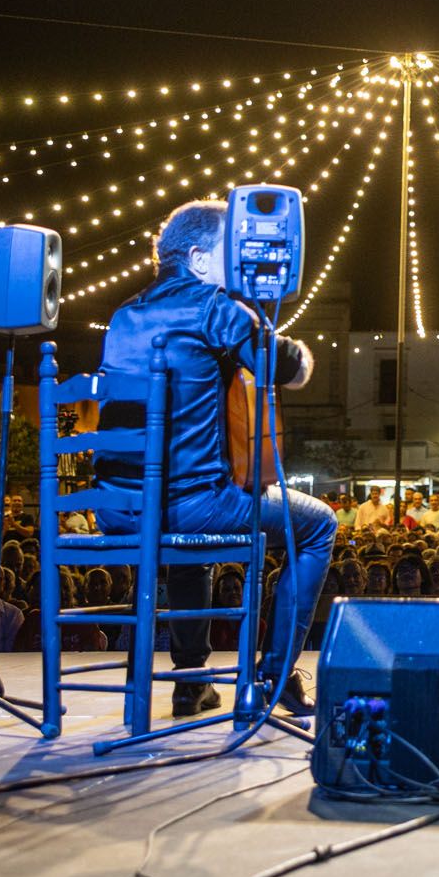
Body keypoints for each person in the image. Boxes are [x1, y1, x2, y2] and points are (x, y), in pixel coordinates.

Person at [95, 198, 335, 718]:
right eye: (232, 251)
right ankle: (274, 676)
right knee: (319, 524)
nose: (242, 262)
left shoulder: (122, 316)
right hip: (189, 504)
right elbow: (288, 369)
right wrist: (259, 314)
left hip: (116, 507)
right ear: (201, 260)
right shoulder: (211, 306)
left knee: (193, 552)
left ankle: (192, 683)